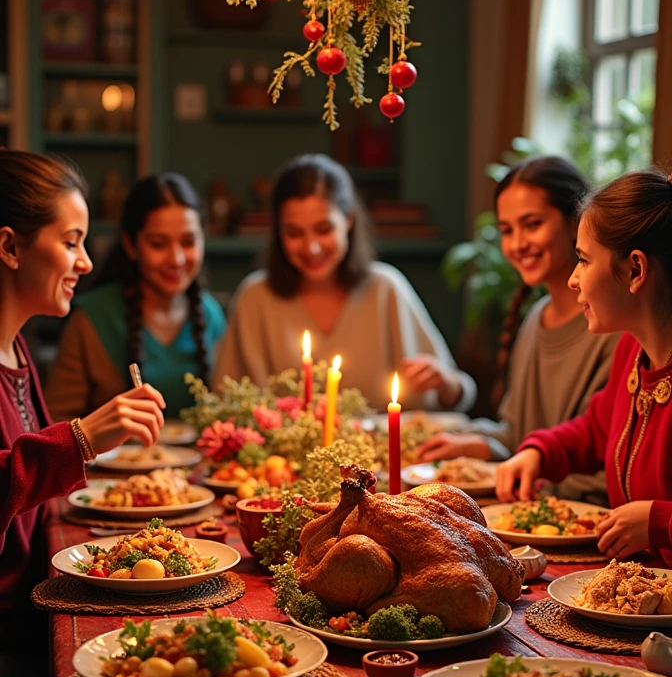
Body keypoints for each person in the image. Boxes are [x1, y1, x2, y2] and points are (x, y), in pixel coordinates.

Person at [0, 150, 165, 677]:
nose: (86, 260)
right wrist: (82, 440)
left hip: (29, 611)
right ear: (8, 246)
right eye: (70, 241)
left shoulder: (17, 348)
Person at [496, 159, 672, 570]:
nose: (573, 279)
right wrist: (540, 452)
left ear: (635, 270)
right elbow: (596, 430)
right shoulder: (632, 354)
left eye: (584, 260)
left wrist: (661, 522)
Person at [418, 157, 619, 503]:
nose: (517, 243)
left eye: (532, 224)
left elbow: (599, 456)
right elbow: (519, 434)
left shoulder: (612, 328)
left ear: (575, 223)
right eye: (507, 230)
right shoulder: (535, 319)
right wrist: (480, 445)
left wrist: (509, 466)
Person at [212, 153, 476, 413]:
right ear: (278, 232)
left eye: (324, 229)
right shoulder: (255, 297)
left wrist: (445, 383)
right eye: (294, 233)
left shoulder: (386, 288)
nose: (311, 248)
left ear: (348, 220)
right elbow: (225, 404)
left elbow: (459, 394)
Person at [45, 172, 226, 420]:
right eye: (158, 244)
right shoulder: (91, 318)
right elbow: (57, 425)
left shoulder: (212, 315)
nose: (177, 259)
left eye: (188, 242)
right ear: (131, 245)